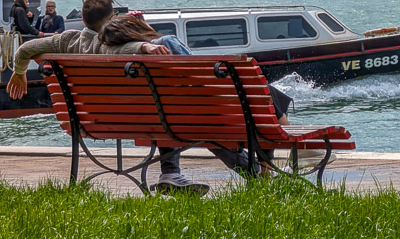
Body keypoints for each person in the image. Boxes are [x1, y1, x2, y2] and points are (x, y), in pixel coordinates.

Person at [6, 0, 208, 195]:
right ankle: (173, 172)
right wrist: (144, 42)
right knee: (167, 102)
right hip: (144, 120)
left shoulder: (67, 40)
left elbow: (26, 48)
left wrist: (19, 72)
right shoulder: (106, 46)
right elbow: (123, 49)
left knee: (163, 107)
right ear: (111, 18)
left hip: (88, 122)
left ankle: (171, 174)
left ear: (83, 20)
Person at [99, 14, 301, 177]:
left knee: (205, 121)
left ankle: (260, 171)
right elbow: (202, 75)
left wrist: (138, 36)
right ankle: (292, 150)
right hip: (206, 114)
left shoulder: (117, 61)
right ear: (136, 31)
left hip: (164, 121)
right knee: (261, 94)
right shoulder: (166, 43)